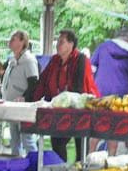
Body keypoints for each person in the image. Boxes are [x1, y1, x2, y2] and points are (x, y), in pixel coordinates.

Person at [32, 29, 100, 161]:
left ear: (71, 44)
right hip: (58, 110)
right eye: (58, 41)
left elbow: (79, 88)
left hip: (80, 110)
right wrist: (31, 99)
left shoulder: (81, 59)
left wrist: (66, 100)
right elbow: (43, 81)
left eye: (61, 42)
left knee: (81, 146)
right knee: (57, 142)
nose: (58, 44)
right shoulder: (55, 60)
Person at [0, 30, 40, 155]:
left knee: (27, 139)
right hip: (11, 104)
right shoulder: (13, 59)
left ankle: (35, 165)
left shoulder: (29, 60)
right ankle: (16, 164)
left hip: (23, 107)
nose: (10, 41)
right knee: (14, 138)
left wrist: (25, 97)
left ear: (22, 41)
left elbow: (34, 83)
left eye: (14, 38)